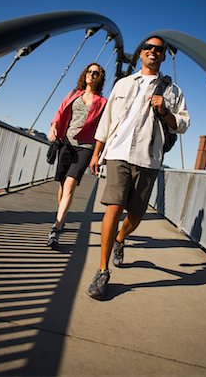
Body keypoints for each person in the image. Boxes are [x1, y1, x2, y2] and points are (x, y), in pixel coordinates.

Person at [86, 36, 190, 300]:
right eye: (148, 48)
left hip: (148, 158)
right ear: (140, 53)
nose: (153, 52)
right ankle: (102, 270)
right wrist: (97, 153)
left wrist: (166, 111)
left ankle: (121, 238)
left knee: (135, 215)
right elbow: (106, 121)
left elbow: (184, 124)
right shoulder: (122, 83)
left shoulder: (174, 91)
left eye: (159, 50)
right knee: (113, 206)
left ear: (164, 57)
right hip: (118, 153)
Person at [47, 62, 107, 248]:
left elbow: (103, 129)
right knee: (63, 184)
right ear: (85, 74)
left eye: (96, 73)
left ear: (100, 78)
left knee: (71, 183)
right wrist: (53, 127)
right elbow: (59, 113)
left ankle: (56, 228)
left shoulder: (102, 102)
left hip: (85, 147)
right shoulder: (74, 94)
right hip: (66, 143)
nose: (92, 75)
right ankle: (62, 216)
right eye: (89, 72)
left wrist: (98, 154)